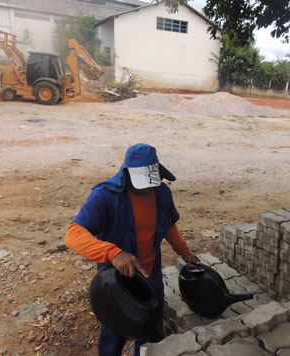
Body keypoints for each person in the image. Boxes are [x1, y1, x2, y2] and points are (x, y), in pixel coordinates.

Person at [65, 143, 199, 356]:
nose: (147, 188)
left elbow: (169, 226)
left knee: (148, 330)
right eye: (142, 183)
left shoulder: (161, 193)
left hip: (149, 276)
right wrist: (113, 253)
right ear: (126, 173)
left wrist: (184, 252)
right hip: (117, 283)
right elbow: (73, 235)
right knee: (114, 331)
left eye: (150, 183)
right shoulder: (105, 196)